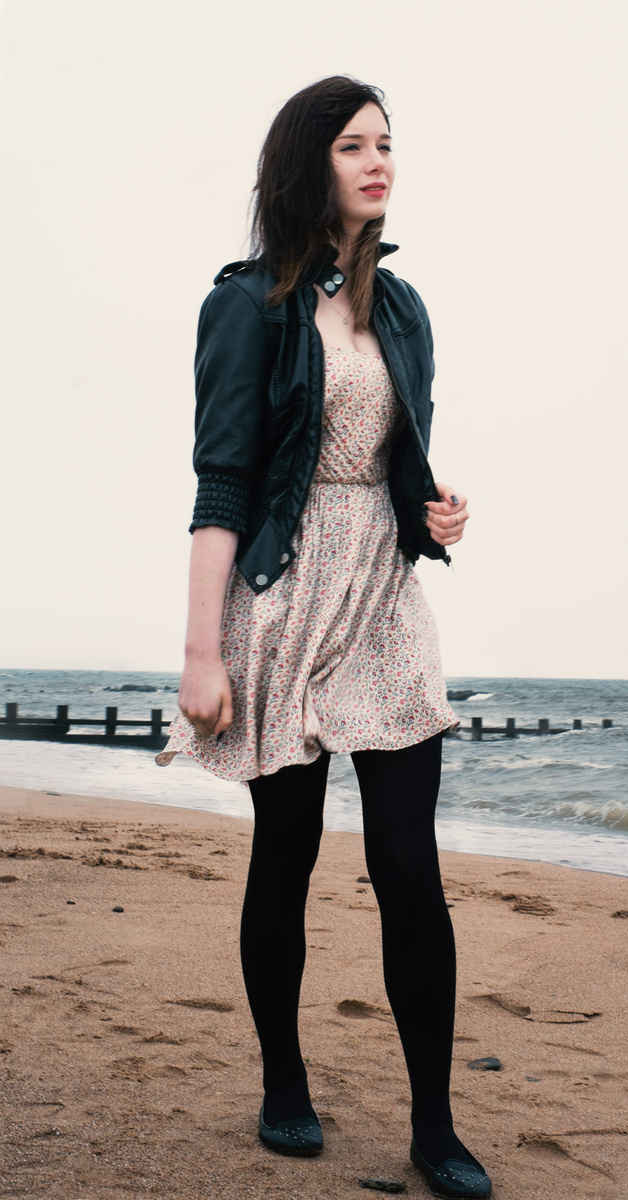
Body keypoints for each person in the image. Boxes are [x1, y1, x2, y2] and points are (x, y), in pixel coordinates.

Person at [156, 76, 490, 1199]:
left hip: (385, 600)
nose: (378, 161)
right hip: (284, 593)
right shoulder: (246, 305)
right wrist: (201, 653)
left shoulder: (401, 309)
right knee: (285, 858)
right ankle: (283, 1079)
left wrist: (431, 508)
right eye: (353, 145)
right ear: (309, 163)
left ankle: (434, 1123)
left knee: (409, 867)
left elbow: (389, 457)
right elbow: (224, 483)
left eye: (386, 143)